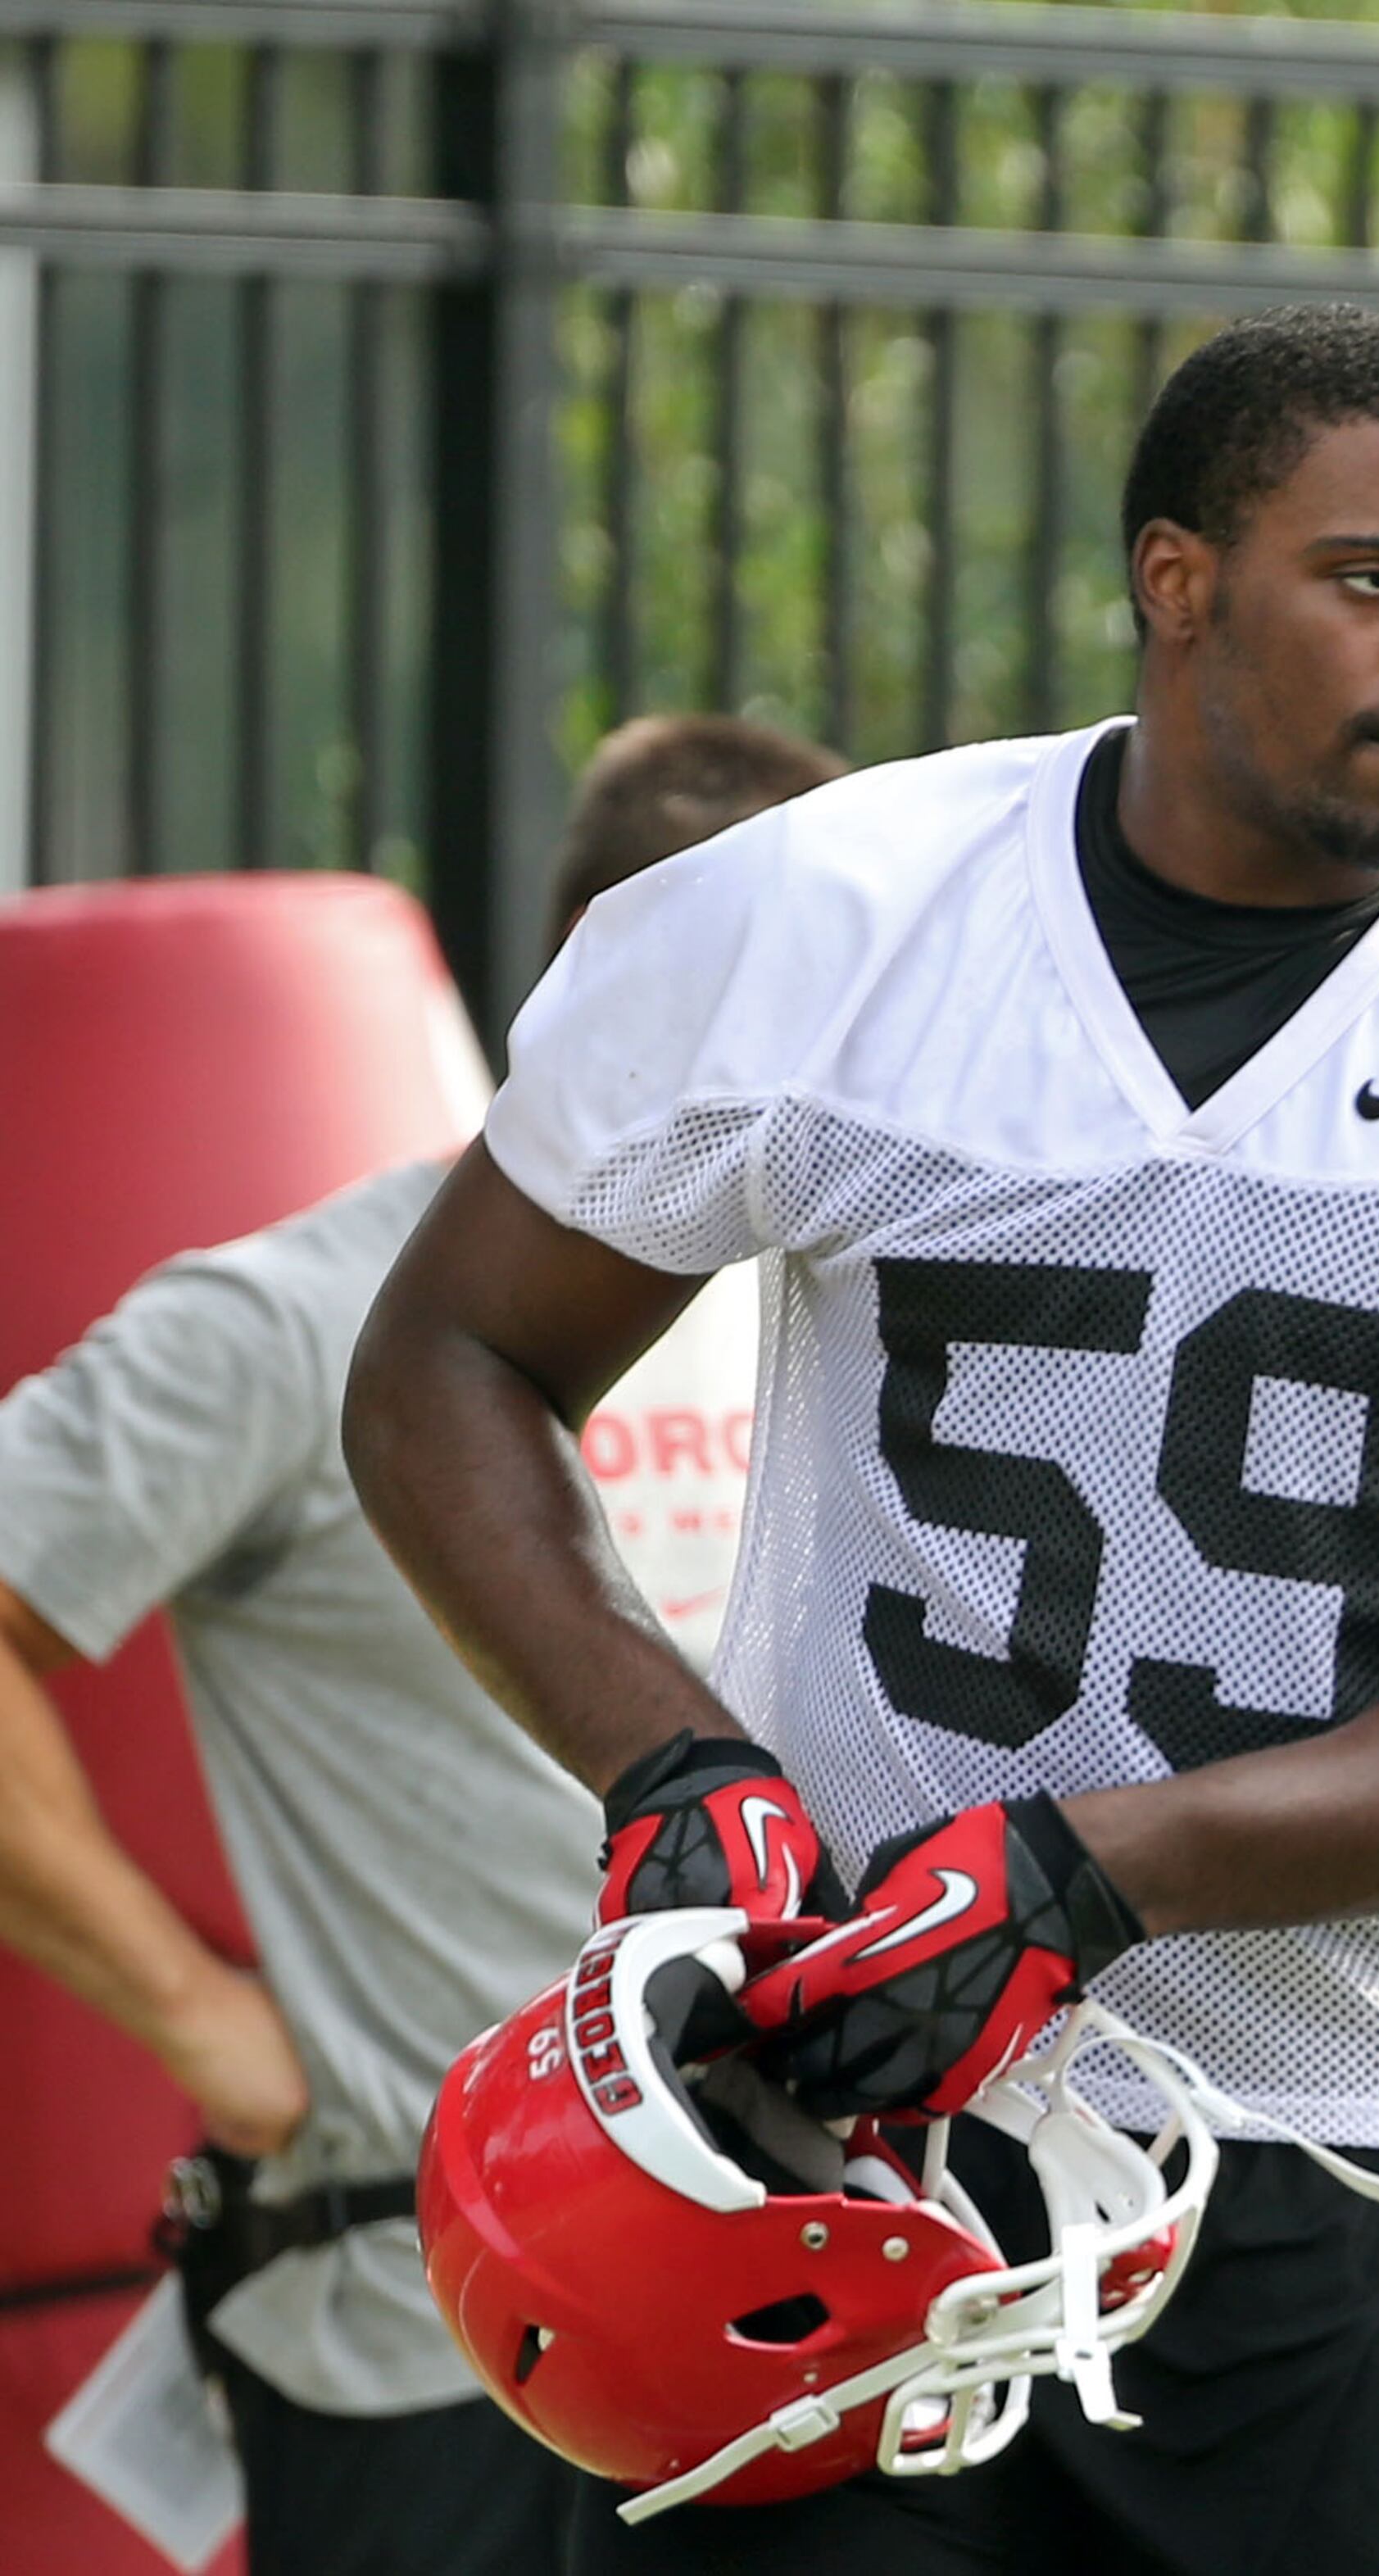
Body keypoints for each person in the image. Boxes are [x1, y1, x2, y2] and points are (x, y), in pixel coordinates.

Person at [342, 302, 1379, 2576]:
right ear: (1177, 580)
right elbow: (447, 1366)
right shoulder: (831, 916)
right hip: (852, 2135)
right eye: (1372, 576)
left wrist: (1102, 1870)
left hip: (1357, 2130)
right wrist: (675, 1766)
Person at [0, 712, 842, 2576]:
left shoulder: (865, 1323)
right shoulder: (308, 1319)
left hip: (817, 2323)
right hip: (433, 2340)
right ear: (630, 980)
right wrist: (196, 2018)